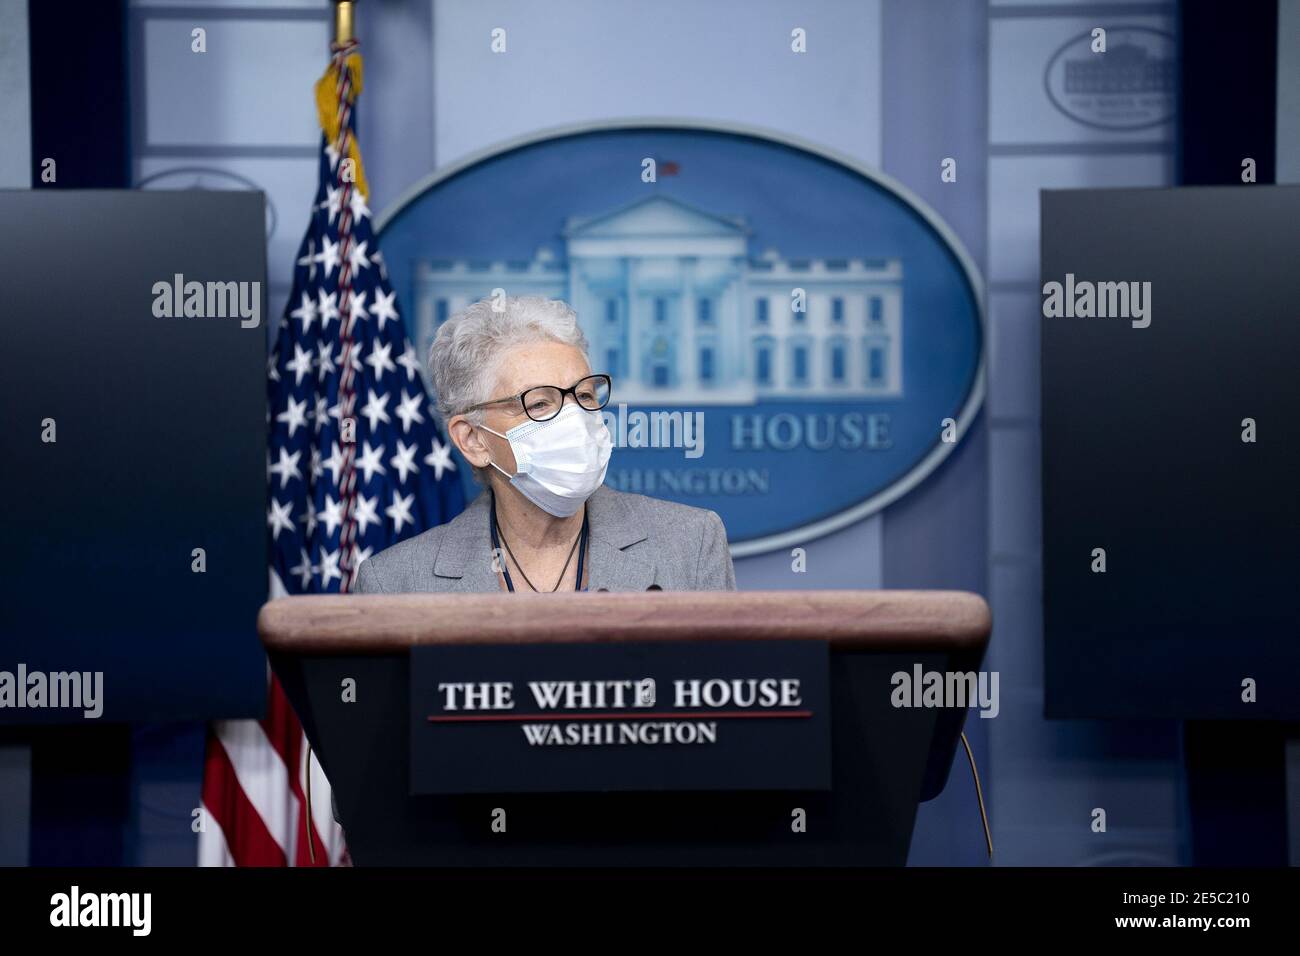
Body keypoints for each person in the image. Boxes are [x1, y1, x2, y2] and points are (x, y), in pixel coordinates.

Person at [354, 295, 735, 594]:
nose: (575, 421)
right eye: (539, 403)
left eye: (585, 396)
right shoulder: (395, 581)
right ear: (473, 440)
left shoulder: (691, 543)